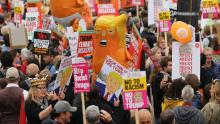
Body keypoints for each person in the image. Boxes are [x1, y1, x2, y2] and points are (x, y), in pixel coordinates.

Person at [152, 56, 172, 121]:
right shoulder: (157, 78)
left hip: (169, 110)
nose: (172, 67)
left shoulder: (170, 76)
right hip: (160, 112)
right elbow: (155, 93)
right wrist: (160, 87)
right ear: (164, 67)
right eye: (170, 65)